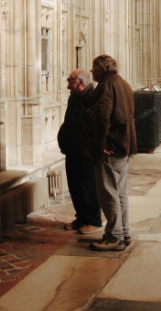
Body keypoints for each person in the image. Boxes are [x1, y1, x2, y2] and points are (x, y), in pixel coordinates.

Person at [87, 55, 136, 252]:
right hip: (124, 144)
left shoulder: (107, 85)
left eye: (93, 68)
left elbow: (102, 118)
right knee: (119, 192)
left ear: (101, 68)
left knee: (108, 193)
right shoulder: (122, 83)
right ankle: (123, 233)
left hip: (112, 147)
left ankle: (113, 237)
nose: (91, 71)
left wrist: (101, 144)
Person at [57, 69, 102, 234]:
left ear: (80, 82)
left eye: (70, 78)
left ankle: (94, 221)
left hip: (85, 150)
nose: (67, 81)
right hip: (72, 148)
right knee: (75, 186)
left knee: (88, 186)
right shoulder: (75, 96)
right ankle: (82, 218)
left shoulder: (92, 97)